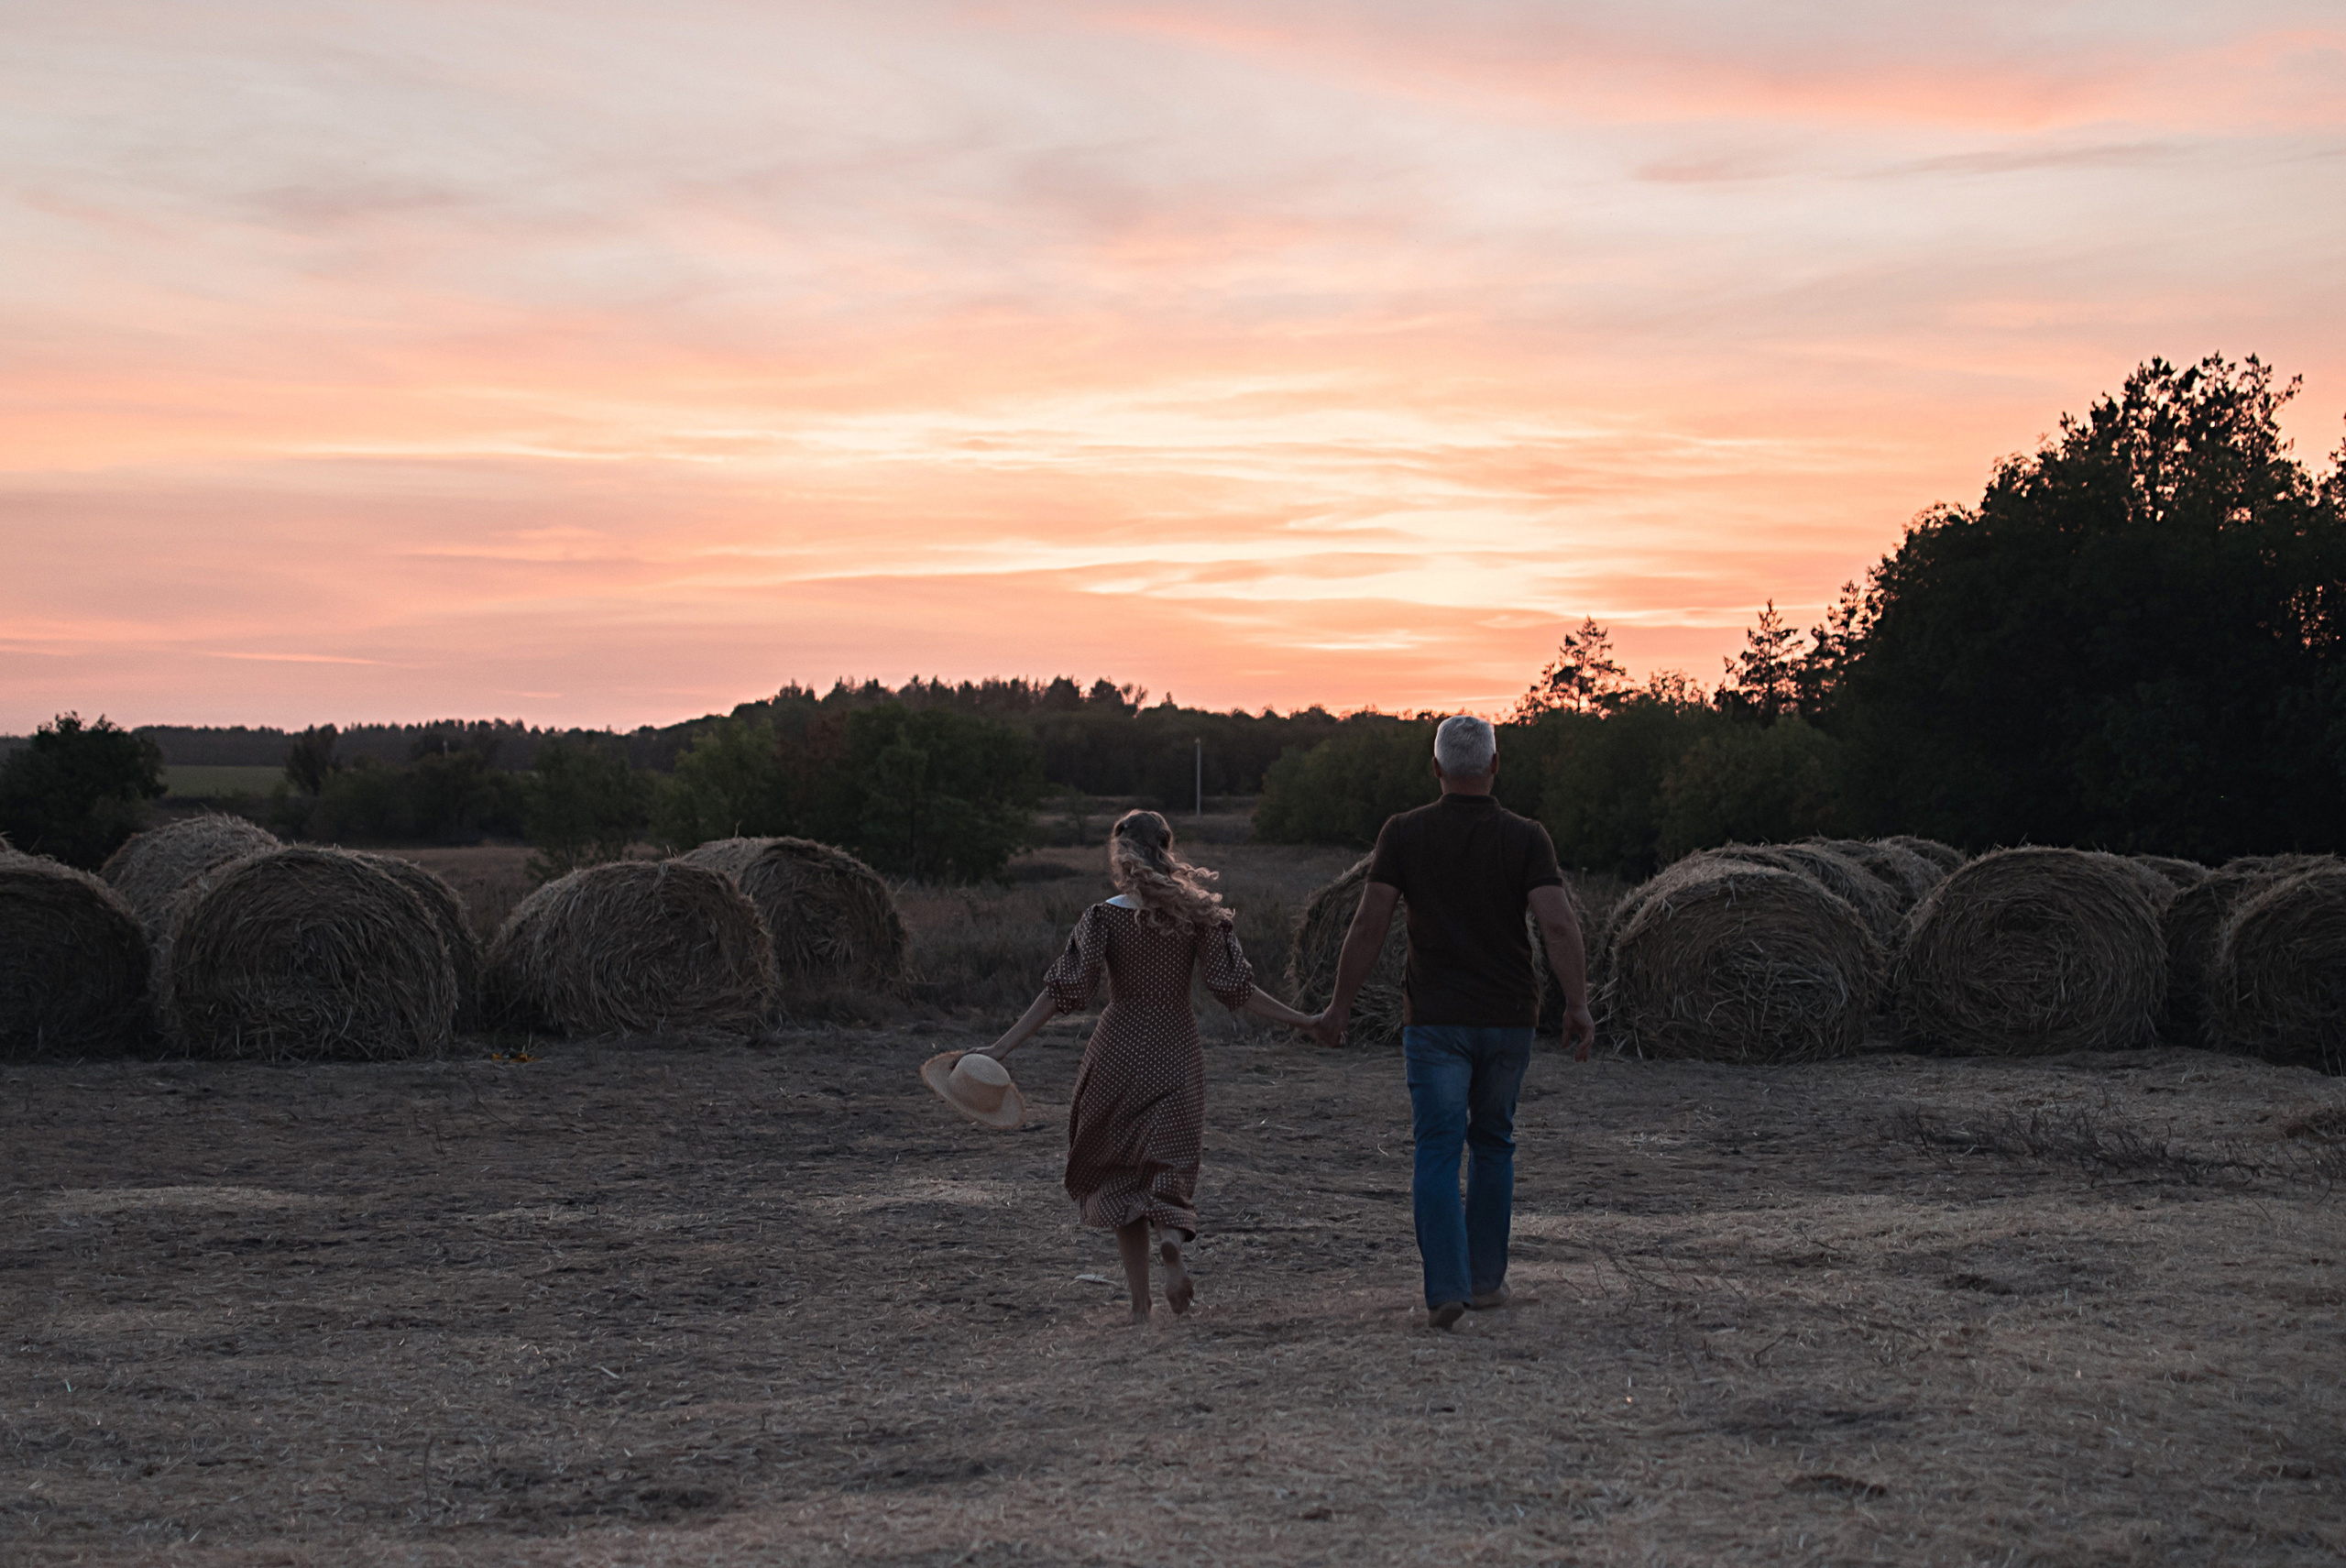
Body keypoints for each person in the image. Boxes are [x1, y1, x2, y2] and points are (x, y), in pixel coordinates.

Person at [976, 809, 1321, 1323]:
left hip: (1116, 1048)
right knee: (1169, 1160)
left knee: (1119, 1172)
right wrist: (1305, 1020)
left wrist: (999, 1049)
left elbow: (1063, 992)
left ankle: (1140, 1306)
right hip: (1173, 1048)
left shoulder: (1102, 917)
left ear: (1120, 854)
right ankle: (1170, 1241)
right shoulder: (1198, 916)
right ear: (1167, 847)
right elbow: (1235, 990)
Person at [1310, 715, 1595, 1331]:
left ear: (1436, 768)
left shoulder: (1404, 833)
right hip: (1508, 1019)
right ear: (1495, 766)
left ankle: (1447, 1287)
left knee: (1437, 1149)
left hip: (1435, 1021)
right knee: (1493, 1141)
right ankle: (1487, 1281)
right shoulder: (1527, 837)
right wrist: (1577, 1003)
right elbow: (1559, 924)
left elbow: (1367, 924)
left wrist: (1338, 1004)